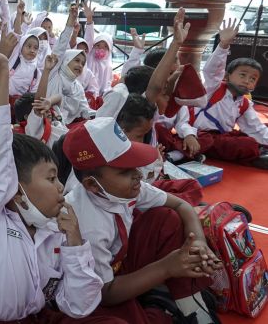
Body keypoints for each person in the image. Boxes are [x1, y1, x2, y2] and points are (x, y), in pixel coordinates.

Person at [0, 36, 107, 324]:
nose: (61, 187)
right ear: (15, 188)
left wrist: (75, 243)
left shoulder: (54, 232)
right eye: (52, 178)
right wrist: (1, 70)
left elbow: (79, 305)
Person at [63, 117, 221, 323]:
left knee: (166, 218)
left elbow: (182, 206)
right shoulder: (87, 225)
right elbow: (105, 293)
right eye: (125, 170)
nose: (138, 174)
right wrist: (166, 268)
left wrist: (198, 242)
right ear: (92, 184)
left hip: (120, 264)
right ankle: (160, 299)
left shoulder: (120, 188)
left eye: (134, 165)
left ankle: (188, 301)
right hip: (98, 287)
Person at [192, 19, 268, 169]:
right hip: (201, 136)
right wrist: (223, 45)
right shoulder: (214, 88)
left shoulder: (244, 103)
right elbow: (212, 70)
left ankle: (259, 152)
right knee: (243, 145)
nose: (247, 81)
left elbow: (255, 127)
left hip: (223, 136)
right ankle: (257, 156)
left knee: (250, 135)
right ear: (227, 76)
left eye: (252, 79)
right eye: (242, 75)